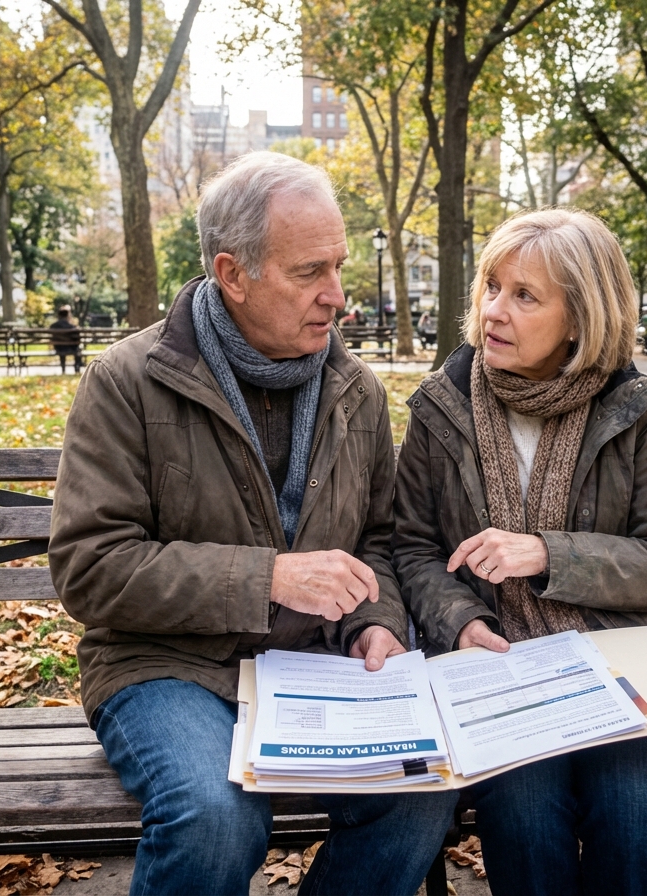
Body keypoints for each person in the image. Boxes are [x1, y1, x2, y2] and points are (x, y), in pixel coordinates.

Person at [48, 152, 455, 896]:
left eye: (339, 267)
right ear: (233, 275)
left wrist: (375, 624)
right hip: (166, 665)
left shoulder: (356, 390)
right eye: (309, 272)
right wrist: (267, 577)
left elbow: (378, 542)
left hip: (313, 666)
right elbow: (91, 567)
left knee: (420, 788)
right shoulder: (126, 381)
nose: (338, 297)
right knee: (215, 816)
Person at [392, 208, 647, 896]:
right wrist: (460, 622)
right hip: (499, 663)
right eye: (492, 286)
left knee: (631, 812)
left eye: (525, 296)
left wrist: (547, 554)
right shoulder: (443, 405)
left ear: (580, 318)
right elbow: (411, 547)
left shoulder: (635, 407)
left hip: (621, 656)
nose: (494, 311)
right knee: (524, 813)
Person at [48, 306, 83, 373]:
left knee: (68, 347)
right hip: (70, 349)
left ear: (59, 315)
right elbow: (77, 338)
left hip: (58, 348)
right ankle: (77, 368)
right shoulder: (71, 326)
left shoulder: (53, 326)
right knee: (78, 349)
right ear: (67, 315)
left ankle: (63, 369)